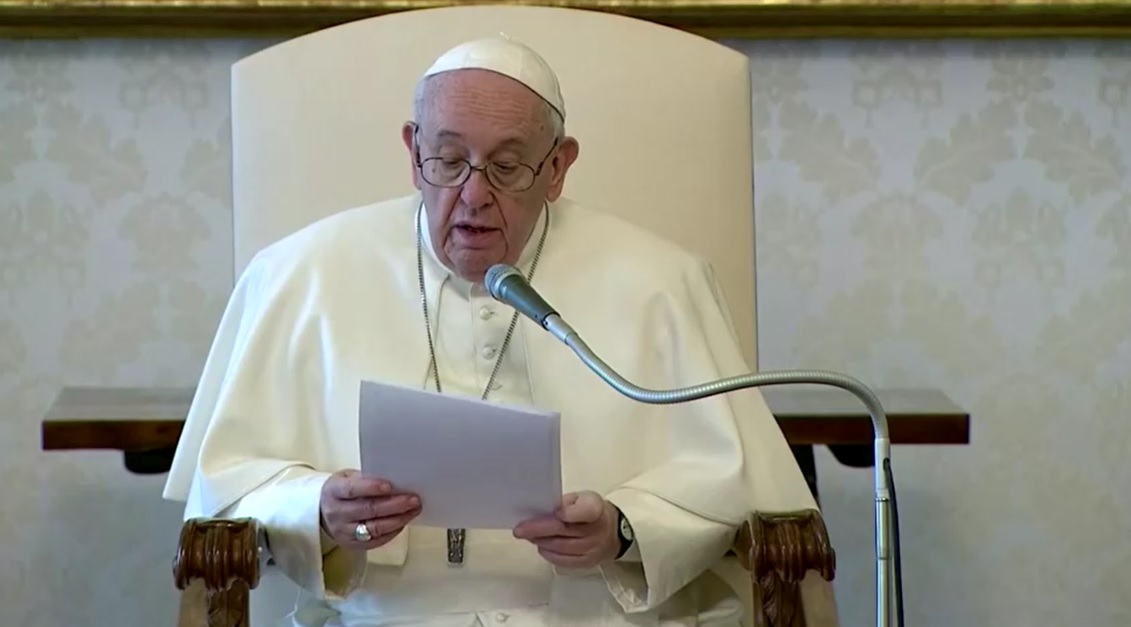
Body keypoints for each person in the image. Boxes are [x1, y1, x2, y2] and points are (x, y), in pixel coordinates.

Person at [164, 35, 818, 627]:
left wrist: (623, 528)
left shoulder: (661, 281)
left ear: (558, 167)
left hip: (599, 617)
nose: (473, 195)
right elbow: (228, 484)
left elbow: (731, 482)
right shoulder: (298, 275)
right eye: (447, 160)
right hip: (382, 617)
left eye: (506, 167)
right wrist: (317, 509)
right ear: (411, 150)